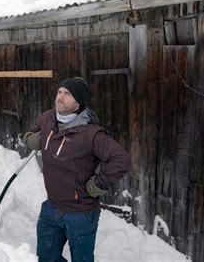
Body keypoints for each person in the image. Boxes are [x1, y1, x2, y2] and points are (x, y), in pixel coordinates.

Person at [22, 77, 131, 261]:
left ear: (78, 102)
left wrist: (98, 184)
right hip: (51, 207)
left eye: (67, 94)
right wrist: (30, 138)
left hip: (80, 213)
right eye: (59, 92)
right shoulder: (48, 118)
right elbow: (33, 131)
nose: (60, 97)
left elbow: (121, 160)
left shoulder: (92, 133)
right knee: (46, 258)